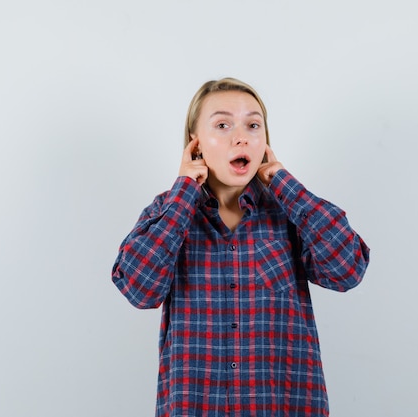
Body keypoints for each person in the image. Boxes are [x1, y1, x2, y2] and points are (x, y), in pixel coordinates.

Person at [111, 77, 370, 417]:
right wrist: (185, 190)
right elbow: (139, 288)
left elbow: (347, 269)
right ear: (196, 144)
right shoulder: (167, 212)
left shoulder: (289, 213)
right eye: (222, 124)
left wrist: (282, 181)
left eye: (253, 125)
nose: (241, 136)